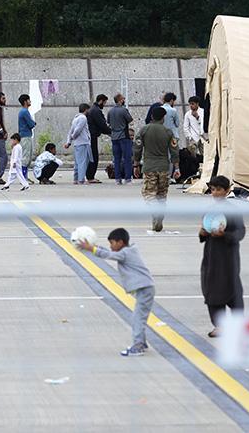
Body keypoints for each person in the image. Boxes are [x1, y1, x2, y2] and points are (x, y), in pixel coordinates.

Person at [77, 228, 155, 357]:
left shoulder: (125, 253)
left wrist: (92, 249)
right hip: (145, 289)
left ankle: (138, 345)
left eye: (112, 243)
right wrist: (94, 246)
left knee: (137, 318)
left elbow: (110, 255)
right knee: (138, 317)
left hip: (145, 289)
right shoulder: (128, 251)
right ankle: (141, 342)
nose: (110, 246)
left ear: (120, 242)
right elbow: (109, 252)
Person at [198, 175, 246, 337]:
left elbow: (240, 232)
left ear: (227, 191)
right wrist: (203, 233)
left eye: (219, 189)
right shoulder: (209, 211)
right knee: (211, 290)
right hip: (211, 257)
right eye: (213, 190)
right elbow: (204, 233)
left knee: (232, 290)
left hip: (228, 257)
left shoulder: (233, 211)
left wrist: (224, 235)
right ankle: (219, 325)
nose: (216, 193)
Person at [135, 107, 180, 232]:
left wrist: (135, 164)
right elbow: (174, 151)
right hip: (164, 167)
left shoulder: (144, 130)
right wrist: (176, 168)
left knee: (149, 194)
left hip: (149, 167)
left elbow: (137, 148)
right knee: (161, 195)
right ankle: (158, 216)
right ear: (163, 117)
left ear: (152, 116)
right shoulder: (168, 132)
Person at [107, 93, 134, 185]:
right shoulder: (123, 110)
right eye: (123, 99)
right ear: (120, 100)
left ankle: (117, 179)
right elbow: (130, 119)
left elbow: (108, 122)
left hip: (114, 137)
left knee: (117, 159)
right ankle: (128, 178)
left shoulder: (110, 111)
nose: (124, 100)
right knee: (127, 158)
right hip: (124, 136)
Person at [86, 94, 113, 183]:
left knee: (91, 156)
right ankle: (90, 177)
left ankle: (90, 176)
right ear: (101, 101)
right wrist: (111, 132)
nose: (104, 105)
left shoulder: (93, 109)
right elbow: (101, 124)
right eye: (104, 102)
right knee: (94, 157)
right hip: (92, 136)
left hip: (90, 136)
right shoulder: (96, 111)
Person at [64, 103, 91, 185]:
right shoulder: (83, 118)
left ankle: (76, 179)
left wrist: (69, 141)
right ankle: (81, 179)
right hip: (83, 142)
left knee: (77, 162)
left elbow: (71, 131)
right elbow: (77, 130)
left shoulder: (75, 118)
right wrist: (73, 137)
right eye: (88, 110)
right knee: (83, 162)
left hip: (77, 143)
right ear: (86, 109)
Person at [17, 94, 36, 181]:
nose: (30, 101)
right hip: (25, 136)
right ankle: (23, 177)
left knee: (26, 157)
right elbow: (31, 124)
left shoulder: (23, 111)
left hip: (24, 135)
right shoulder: (25, 112)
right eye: (29, 100)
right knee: (25, 157)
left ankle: (25, 176)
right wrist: (33, 123)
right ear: (25, 101)